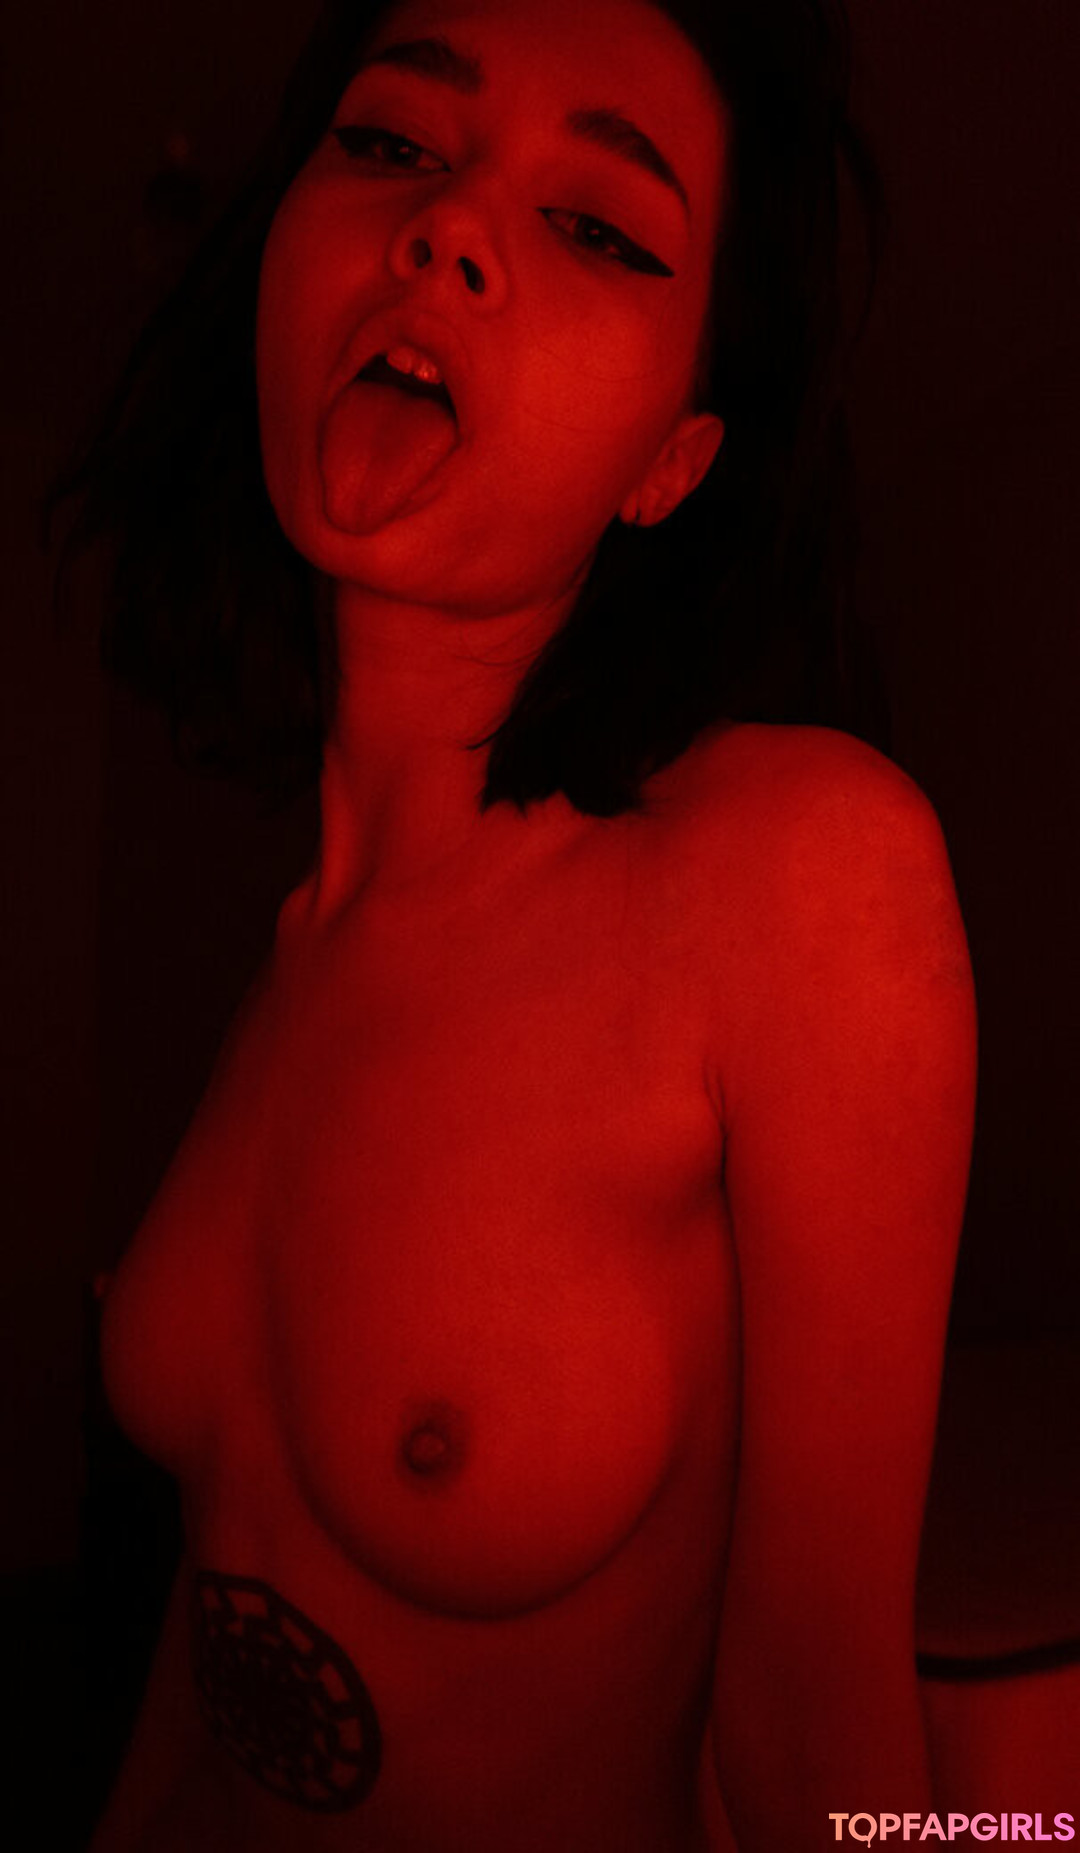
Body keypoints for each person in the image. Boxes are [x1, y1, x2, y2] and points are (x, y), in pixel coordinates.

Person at [56, 0, 976, 1846]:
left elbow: (825, 1757)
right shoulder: (295, 956)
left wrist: (1023, 1839)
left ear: (673, 459)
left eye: (599, 226)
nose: (450, 225)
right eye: (393, 142)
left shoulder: (796, 873)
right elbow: (227, 1619)